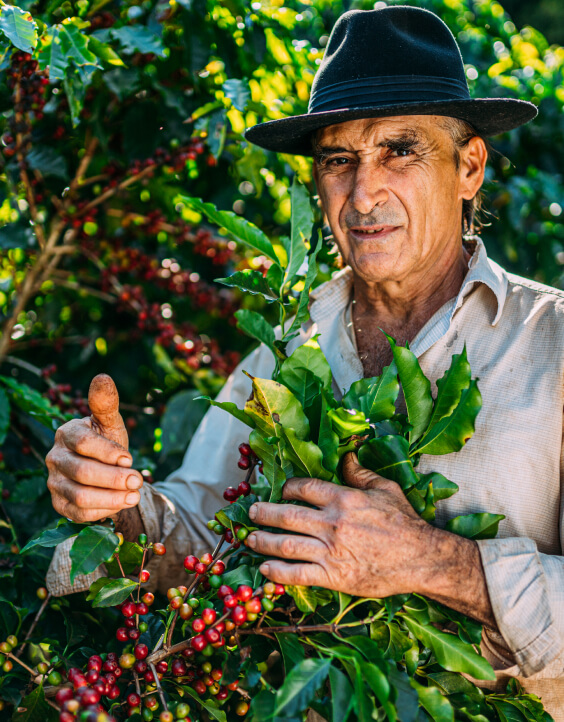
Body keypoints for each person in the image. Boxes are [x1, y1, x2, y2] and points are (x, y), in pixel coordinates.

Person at [45, 6, 564, 717]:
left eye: (400, 151)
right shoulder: (291, 345)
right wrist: (118, 499)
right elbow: (202, 539)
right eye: (337, 160)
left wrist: (434, 562)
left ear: (469, 165)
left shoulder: (553, 345)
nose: (363, 193)